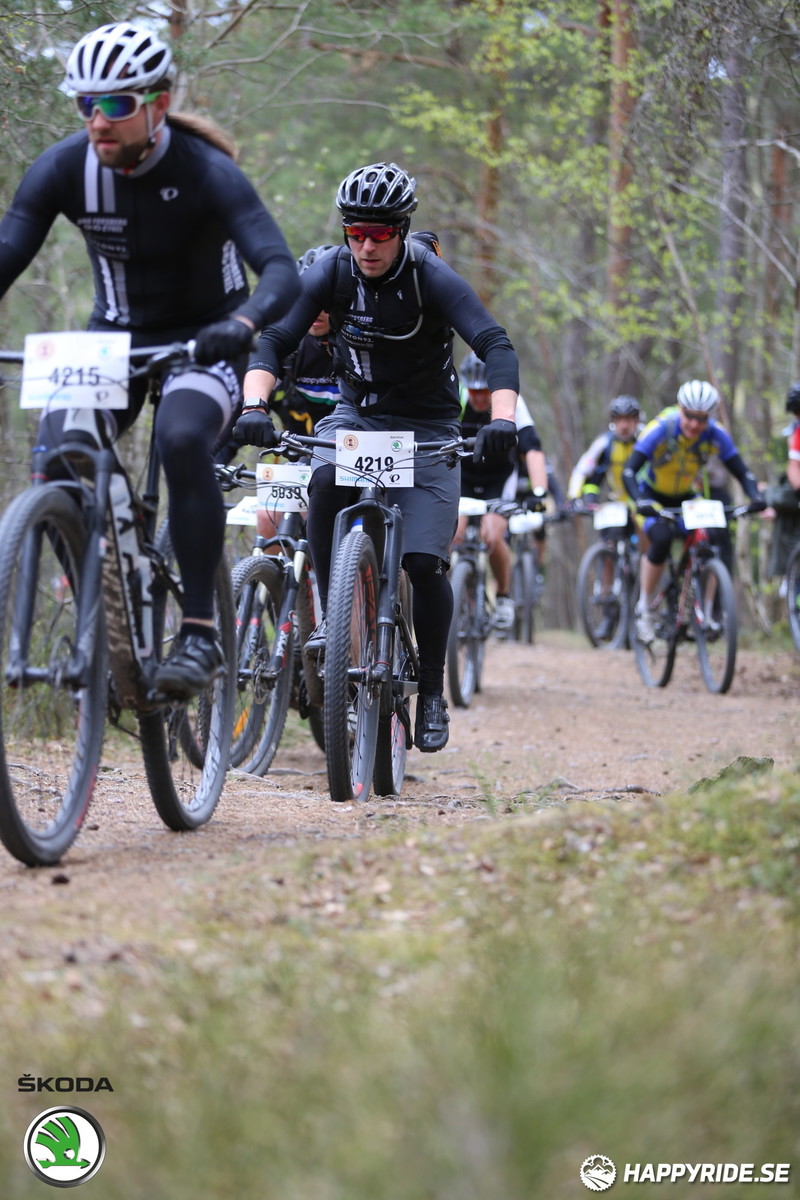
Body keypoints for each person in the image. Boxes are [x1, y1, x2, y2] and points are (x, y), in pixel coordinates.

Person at [0, 22, 300, 699]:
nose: (97, 122)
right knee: (57, 451)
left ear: (158, 104)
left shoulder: (206, 172)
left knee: (182, 436)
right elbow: (10, 250)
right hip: (113, 337)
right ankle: (101, 599)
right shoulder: (63, 167)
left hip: (206, 338)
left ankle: (198, 630)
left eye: (115, 105)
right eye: (85, 104)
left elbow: (281, 269)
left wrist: (244, 322)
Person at [234, 161, 520, 752]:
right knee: (322, 486)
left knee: (422, 563)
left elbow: (494, 343)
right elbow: (275, 340)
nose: (366, 245)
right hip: (358, 418)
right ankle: (330, 615)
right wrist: (255, 406)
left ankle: (434, 692)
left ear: (401, 229)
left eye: (380, 234)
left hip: (428, 429)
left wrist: (502, 419)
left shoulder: (429, 277)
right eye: (355, 231)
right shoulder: (333, 272)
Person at [622, 379, 768, 643]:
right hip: (650, 495)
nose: (693, 424)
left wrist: (756, 495)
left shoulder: (715, 434)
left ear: (709, 417)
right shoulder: (661, 429)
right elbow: (629, 471)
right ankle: (644, 608)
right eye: (689, 416)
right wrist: (639, 500)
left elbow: (741, 471)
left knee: (710, 536)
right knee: (662, 539)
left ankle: (706, 612)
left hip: (686, 496)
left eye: (701, 419)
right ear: (680, 408)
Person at [242, 243, 340, 545]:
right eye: (308, 301)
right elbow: (248, 409)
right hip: (301, 458)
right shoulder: (290, 348)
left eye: (327, 302)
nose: (318, 313)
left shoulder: (356, 342)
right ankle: (285, 589)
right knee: (265, 519)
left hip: (355, 458)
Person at [457, 350, 548, 632]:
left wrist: (540, 490)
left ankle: (504, 596)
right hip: (463, 476)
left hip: (499, 478)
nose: (480, 398)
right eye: (474, 392)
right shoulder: (455, 400)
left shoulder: (511, 403)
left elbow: (532, 449)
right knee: (452, 535)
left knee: (494, 537)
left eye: (485, 391)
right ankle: (455, 593)